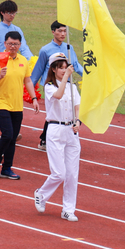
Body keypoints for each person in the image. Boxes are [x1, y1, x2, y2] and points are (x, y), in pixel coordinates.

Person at [0, 32, 38, 180]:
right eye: (10, 44)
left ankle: (7, 168)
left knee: (12, 138)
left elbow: (27, 81)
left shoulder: (23, 61)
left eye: (15, 44)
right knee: (7, 134)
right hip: (1, 102)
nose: (12, 47)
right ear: (4, 44)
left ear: (20, 45)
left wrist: (33, 98)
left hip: (17, 105)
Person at [34, 53, 81, 219]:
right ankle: (42, 193)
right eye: (60, 67)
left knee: (72, 174)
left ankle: (68, 209)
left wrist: (78, 121)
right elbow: (58, 96)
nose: (63, 70)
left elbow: (77, 108)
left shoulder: (72, 87)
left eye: (65, 67)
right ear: (53, 69)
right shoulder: (49, 87)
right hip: (55, 130)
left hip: (71, 132)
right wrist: (66, 77)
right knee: (59, 173)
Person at [30, 21, 83, 150]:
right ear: (53, 32)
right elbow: (37, 71)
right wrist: (32, 94)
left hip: (67, 84)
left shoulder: (69, 48)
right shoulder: (45, 50)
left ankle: (54, 138)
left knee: (65, 110)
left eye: (65, 31)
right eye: (60, 31)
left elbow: (75, 65)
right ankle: (45, 139)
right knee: (55, 112)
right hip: (51, 86)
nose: (63, 34)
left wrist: (88, 77)